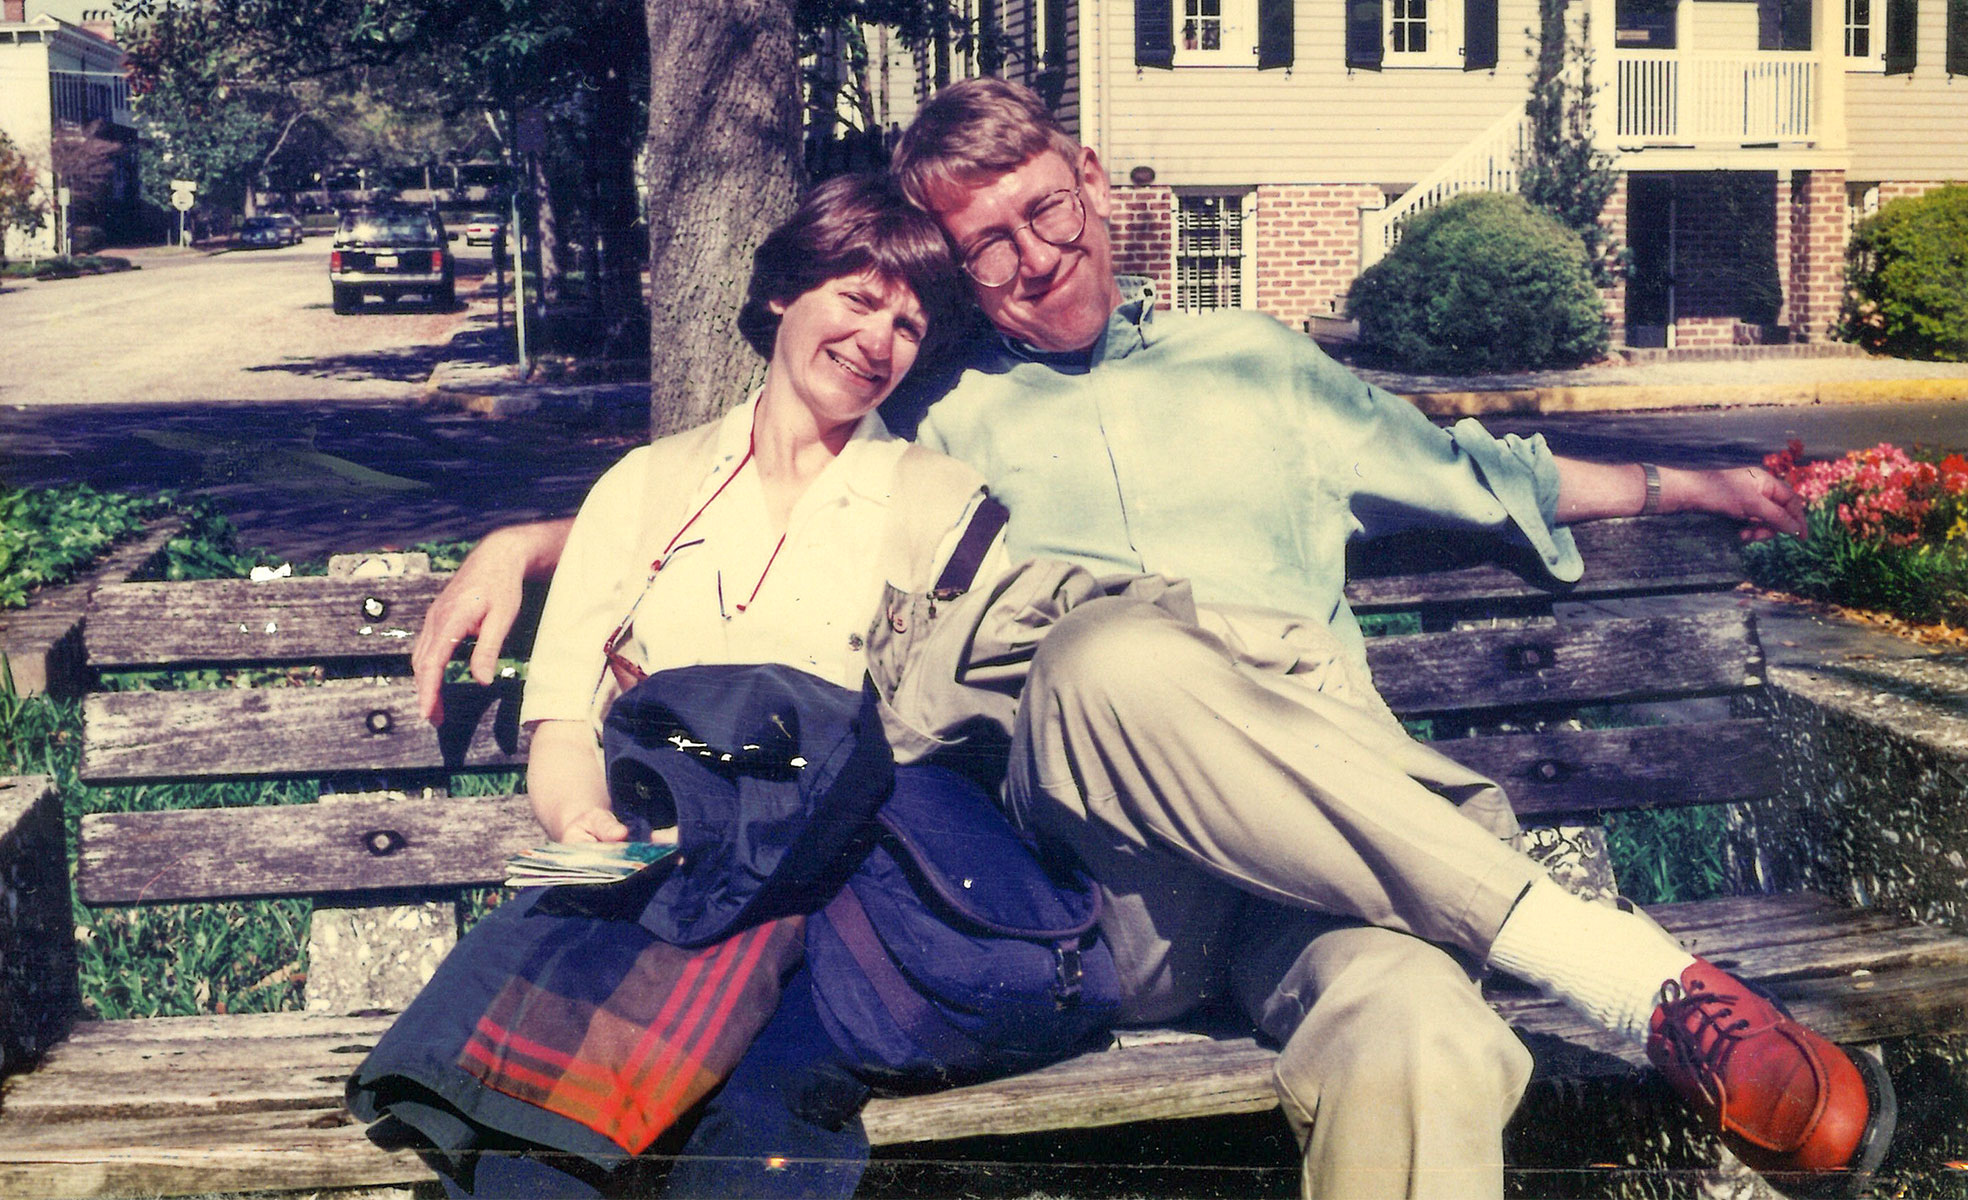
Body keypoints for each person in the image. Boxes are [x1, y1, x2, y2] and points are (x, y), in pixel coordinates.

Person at [410, 81, 1893, 1198]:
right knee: (1113, 658)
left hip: (1323, 873)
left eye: (1045, 213)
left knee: (1422, 1035)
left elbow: (1483, 474)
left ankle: (1637, 997)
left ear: (1097, 184)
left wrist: (1698, 485)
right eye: (983, 251)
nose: (1030, 262)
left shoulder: (1264, 367)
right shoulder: (941, 409)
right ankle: (1631, 975)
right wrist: (536, 545)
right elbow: (764, 468)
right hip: (1095, 889)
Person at [349, 173, 1021, 1199]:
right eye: (854, 296)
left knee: (761, 1101)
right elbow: (565, 717)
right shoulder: (643, 486)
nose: (876, 338)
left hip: (815, 874)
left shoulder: (933, 503)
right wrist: (577, 820)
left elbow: (963, 734)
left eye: (906, 322)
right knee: (514, 1103)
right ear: (781, 296)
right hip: (622, 850)